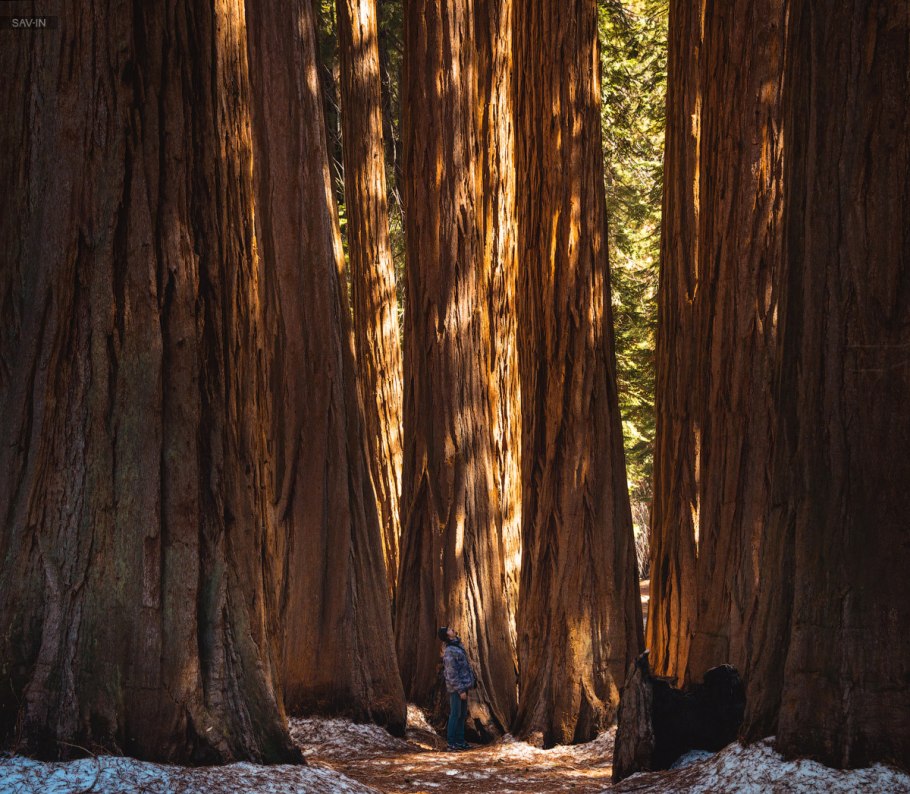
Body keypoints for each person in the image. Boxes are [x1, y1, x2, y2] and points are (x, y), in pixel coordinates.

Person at [438, 625, 475, 751]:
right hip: (456, 689)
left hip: (464, 686)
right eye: (449, 630)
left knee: (463, 714)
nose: (452, 629)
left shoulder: (458, 645)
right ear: (447, 636)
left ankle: (460, 741)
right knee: (455, 714)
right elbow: (451, 673)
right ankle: (451, 742)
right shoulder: (449, 651)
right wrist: (460, 690)